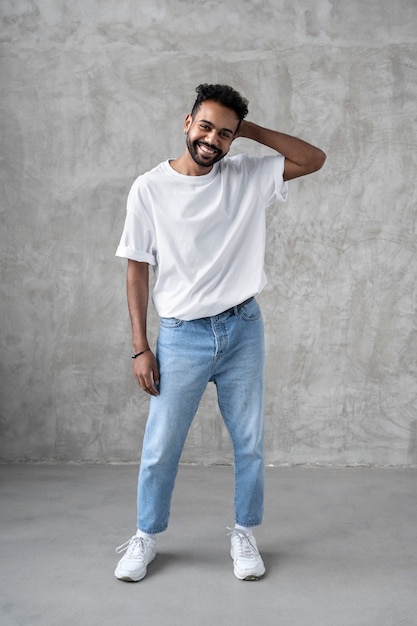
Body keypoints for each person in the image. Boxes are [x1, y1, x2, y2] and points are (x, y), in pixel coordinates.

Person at [114, 83, 326, 582]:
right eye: (205, 126)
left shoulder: (247, 175)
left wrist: (247, 130)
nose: (213, 139)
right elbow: (136, 270)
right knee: (162, 444)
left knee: (249, 440)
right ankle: (145, 535)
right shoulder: (149, 188)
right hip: (182, 336)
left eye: (225, 134)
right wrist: (141, 348)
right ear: (187, 122)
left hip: (242, 329)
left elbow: (314, 158)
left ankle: (245, 533)